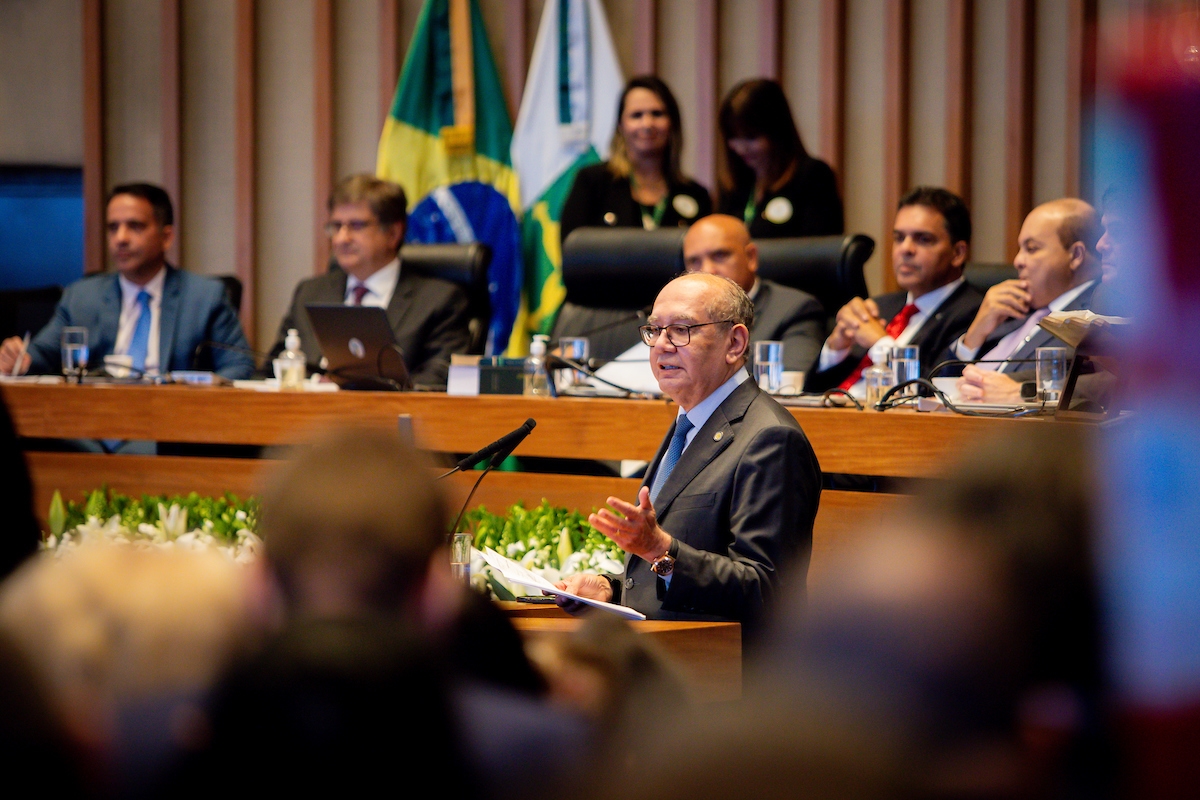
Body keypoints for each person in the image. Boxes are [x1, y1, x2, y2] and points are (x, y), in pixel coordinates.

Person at [557, 273, 822, 628]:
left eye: (681, 329)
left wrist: (659, 550)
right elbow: (680, 564)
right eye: (654, 330)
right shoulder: (689, 423)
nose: (662, 345)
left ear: (735, 342)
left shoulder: (770, 439)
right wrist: (611, 587)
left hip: (729, 673)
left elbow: (767, 590)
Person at [0, 183, 254, 379]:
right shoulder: (81, 297)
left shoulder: (205, 297)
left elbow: (239, 366)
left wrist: (195, 396)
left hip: (169, 426)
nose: (120, 238)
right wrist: (19, 359)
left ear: (166, 237)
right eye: (113, 227)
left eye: (135, 226)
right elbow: (42, 354)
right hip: (93, 428)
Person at [268, 174, 471, 388]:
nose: (341, 239)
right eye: (336, 226)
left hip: (393, 419)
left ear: (393, 233)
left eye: (356, 226)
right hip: (306, 416)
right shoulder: (310, 293)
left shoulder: (439, 301)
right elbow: (270, 371)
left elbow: (438, 382)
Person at [806, 187, 982, 395]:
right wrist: (837, 348)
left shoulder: (975, 316)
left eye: (923, 239)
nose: (905, 249)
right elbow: (812, 391)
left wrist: (880, 343)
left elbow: (937, 392)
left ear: (958, 253)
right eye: (899, 238)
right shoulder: (880, 307)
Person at [951, 199, 1102, 403]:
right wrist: (975, 334)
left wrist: (1018, 390)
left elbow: (1092, 383)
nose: (1017, 261)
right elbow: (935, 382)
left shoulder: (1096, 314)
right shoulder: (1014, 311)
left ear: (1076, 255)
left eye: (1031, 249)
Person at [560, 77, 711, 247]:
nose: (647, 124)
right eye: (636, 115)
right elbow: (571, 254)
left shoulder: (696, 194)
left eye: (657, 114)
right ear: (620, 125)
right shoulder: (592, 183)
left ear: (672, 123)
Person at [683, 214, 825, 374]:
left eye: (720, 256)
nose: (707, 271)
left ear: (751, 257)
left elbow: (788, 386)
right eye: (694, 261)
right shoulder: (671, 317)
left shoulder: (795, 310)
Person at [716, 79, 843, 239]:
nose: (741, 148)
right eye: (734, 137)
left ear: (776, 132)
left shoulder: (813, 177)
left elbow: (820, 253)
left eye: (751, 137)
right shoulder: (734, 185)